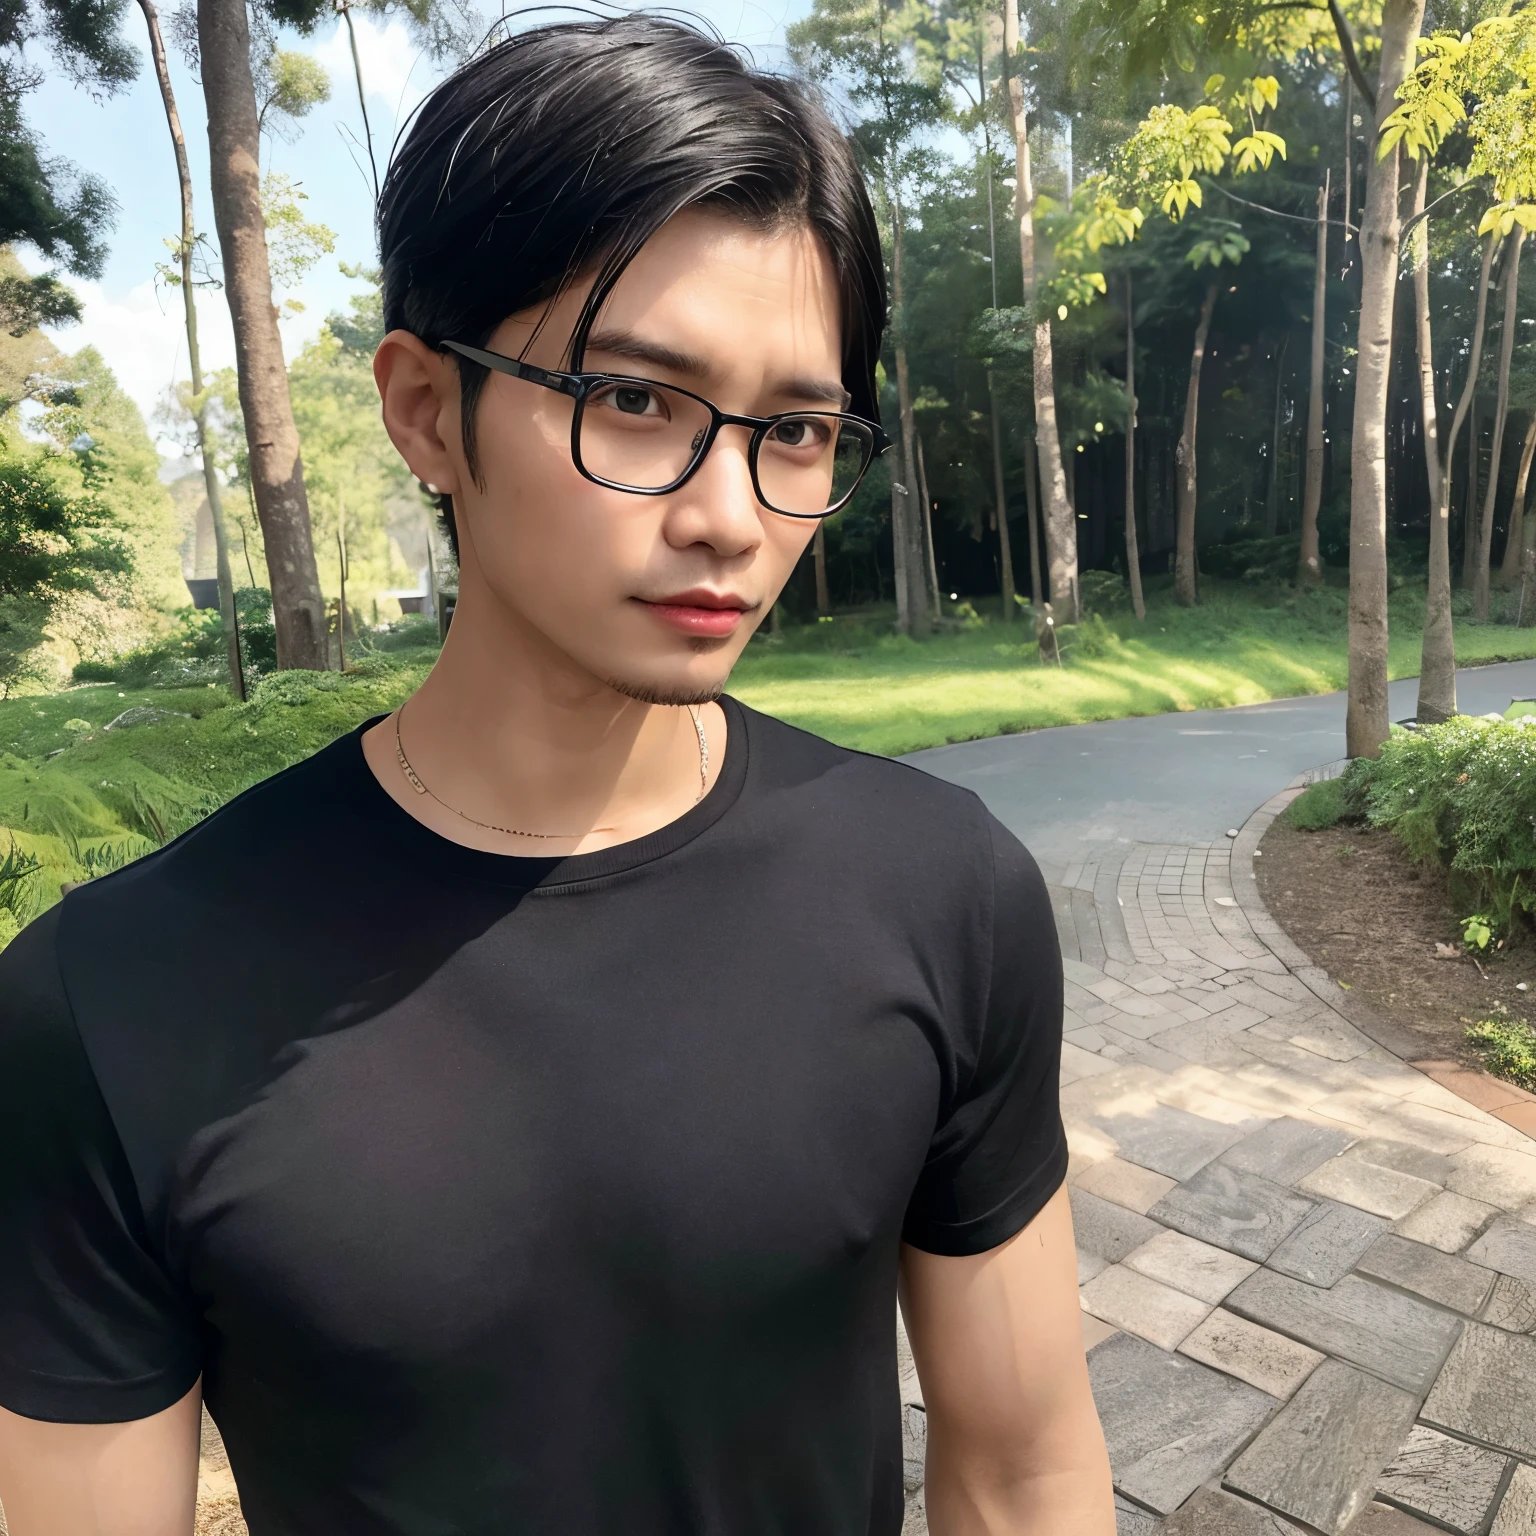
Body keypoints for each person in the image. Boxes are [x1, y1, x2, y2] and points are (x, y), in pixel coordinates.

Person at [0, 16, 1112, 1534]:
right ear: (422, 411)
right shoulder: (109, 1006)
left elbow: (1024, 1465)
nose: (731, 514)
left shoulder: (941, 892)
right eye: (636, 400)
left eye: (792, 430)